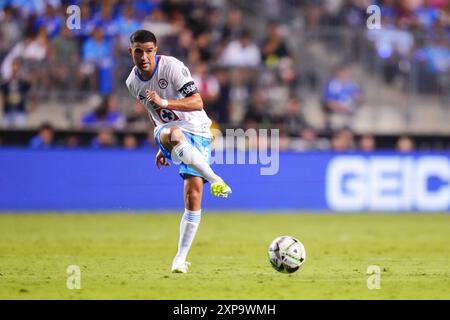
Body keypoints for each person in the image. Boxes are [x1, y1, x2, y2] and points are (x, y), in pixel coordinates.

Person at [125, 30, 232, 273]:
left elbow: (197, 102)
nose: (144, 56)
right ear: (130, 52)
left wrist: (165, 103)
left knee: (193, 195)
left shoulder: (172, 67)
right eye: (138, 51)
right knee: (173, 133)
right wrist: (163, 145)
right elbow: (153, 114)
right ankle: (216, 178)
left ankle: (180, 259)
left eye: (149, 51)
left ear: (156, 50)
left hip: (199, 130)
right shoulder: (132, 83)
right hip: (170, 130)